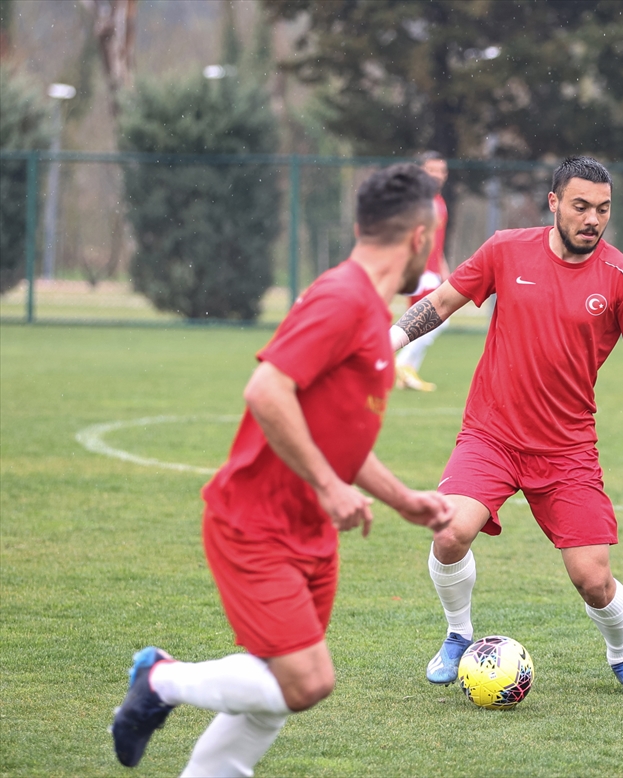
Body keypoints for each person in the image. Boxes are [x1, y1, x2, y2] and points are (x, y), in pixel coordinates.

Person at [110, 164, 455, 773]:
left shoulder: (372, 314)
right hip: (255, 523)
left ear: (360, 225)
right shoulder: (343, 298)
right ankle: (158, 678)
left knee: (269, 692)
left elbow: (338, 432)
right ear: (420, 240)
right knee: (307, 682)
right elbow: (267, 390)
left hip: (310, 534)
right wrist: (328, 485)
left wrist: (401, 498)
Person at [389, 156, 623, 697]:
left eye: (603, 209)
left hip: (567, 448)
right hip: (491, 435)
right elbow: (444, 300)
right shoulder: (505, 249)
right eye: (580, 206)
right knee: (450, 531)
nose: (592, 219)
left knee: (593, 580)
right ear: (553, 203)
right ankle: (458, 634)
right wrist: (390, 343)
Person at [395, 151, 452, 392]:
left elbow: (437, 244)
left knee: (424, 322)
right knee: (436, 320)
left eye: (441, 171)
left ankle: (407, 375)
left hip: (432, 272)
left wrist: (444, 270)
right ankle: (402, 363)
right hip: (419, 272)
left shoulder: (439, 201)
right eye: (431, 170)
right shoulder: (414, 202)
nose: (437, 175)